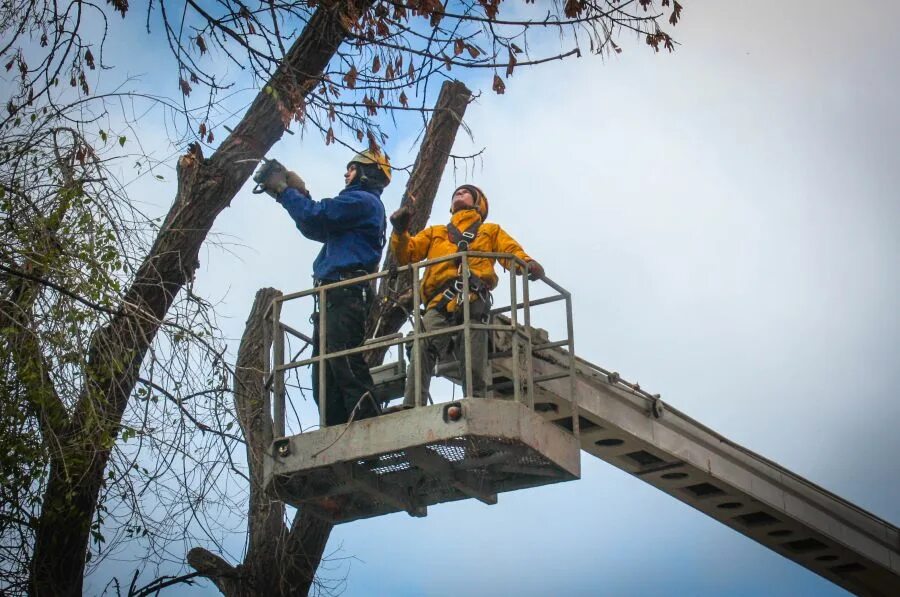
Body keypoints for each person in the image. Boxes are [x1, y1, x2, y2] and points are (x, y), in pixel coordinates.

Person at [259, 149, 391, 426]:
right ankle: (335, 431)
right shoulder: (358, 207)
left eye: (352, 168)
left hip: (345, 292)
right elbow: (314, 227)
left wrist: (285, 191)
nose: (346, 173)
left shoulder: (362, 201)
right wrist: (297, 195)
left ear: (367, 174)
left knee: (344, 363)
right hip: (332, 295)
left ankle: (369, 424)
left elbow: (318, 216)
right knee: (324, 374)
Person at [389, 184, 544, 406]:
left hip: (472, 299)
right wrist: (400, 232)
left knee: (472, 351)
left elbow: (510, 252)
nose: (458, 195)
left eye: (465, 193)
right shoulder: (436, 233)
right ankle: (412, 403)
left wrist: (526, 265)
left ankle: (476, 401)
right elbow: (408, 254)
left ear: (478, 203)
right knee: (420, 344)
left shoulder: (490, 231)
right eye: (456, 194)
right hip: (438, 303)